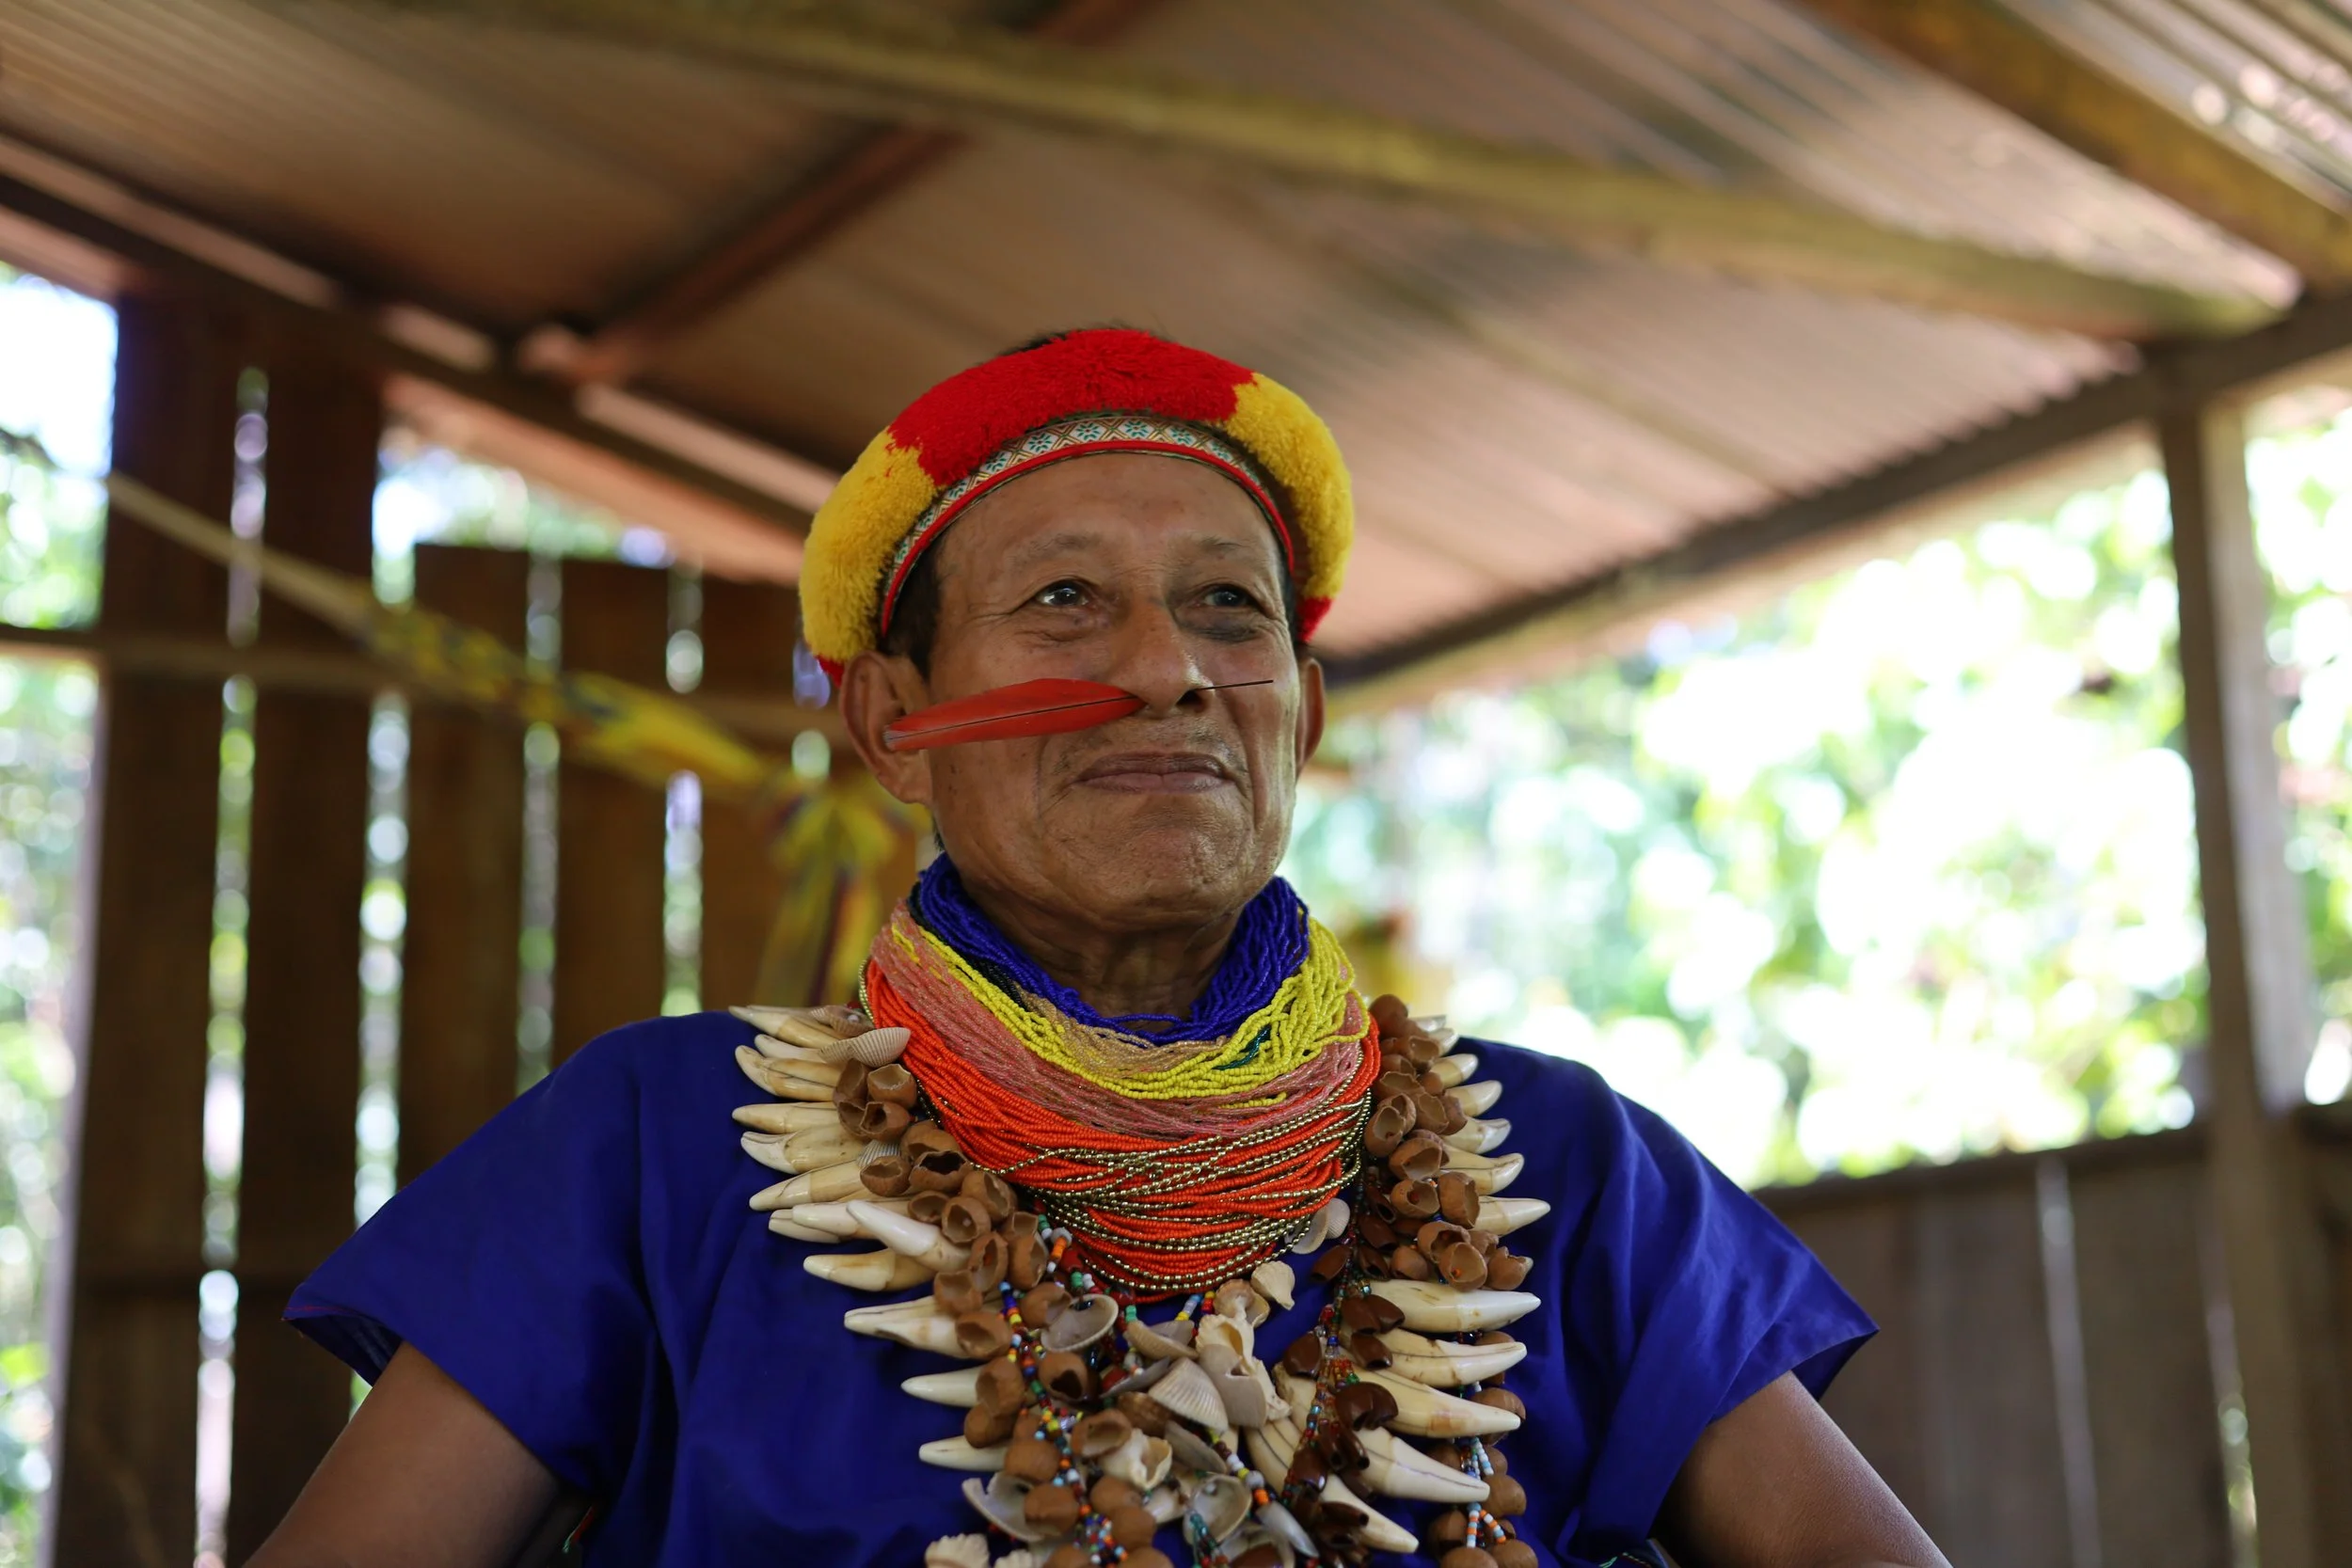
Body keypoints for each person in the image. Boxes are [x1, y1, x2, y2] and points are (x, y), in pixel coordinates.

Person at [251, 329, 1947, 1568]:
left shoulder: (1563, 1166)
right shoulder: (657, 1147)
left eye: (1230, 608)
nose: (1167, 671)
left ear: (1303, 705)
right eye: (1066, 601)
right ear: (893, 715)